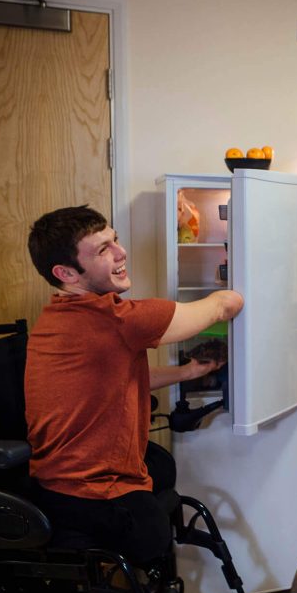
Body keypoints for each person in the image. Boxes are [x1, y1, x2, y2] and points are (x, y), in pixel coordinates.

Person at [24, 205, 243, 565]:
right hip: (90, 494)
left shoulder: (57, 316)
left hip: (55, 481)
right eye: (102, 250)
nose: (121, 253)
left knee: (160, 465)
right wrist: (243, 284)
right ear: (66, 273)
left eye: (115, 240)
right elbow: (224, 306)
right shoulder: (114, 319)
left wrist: (188, 372)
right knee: (154, 532)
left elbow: (111, 379)